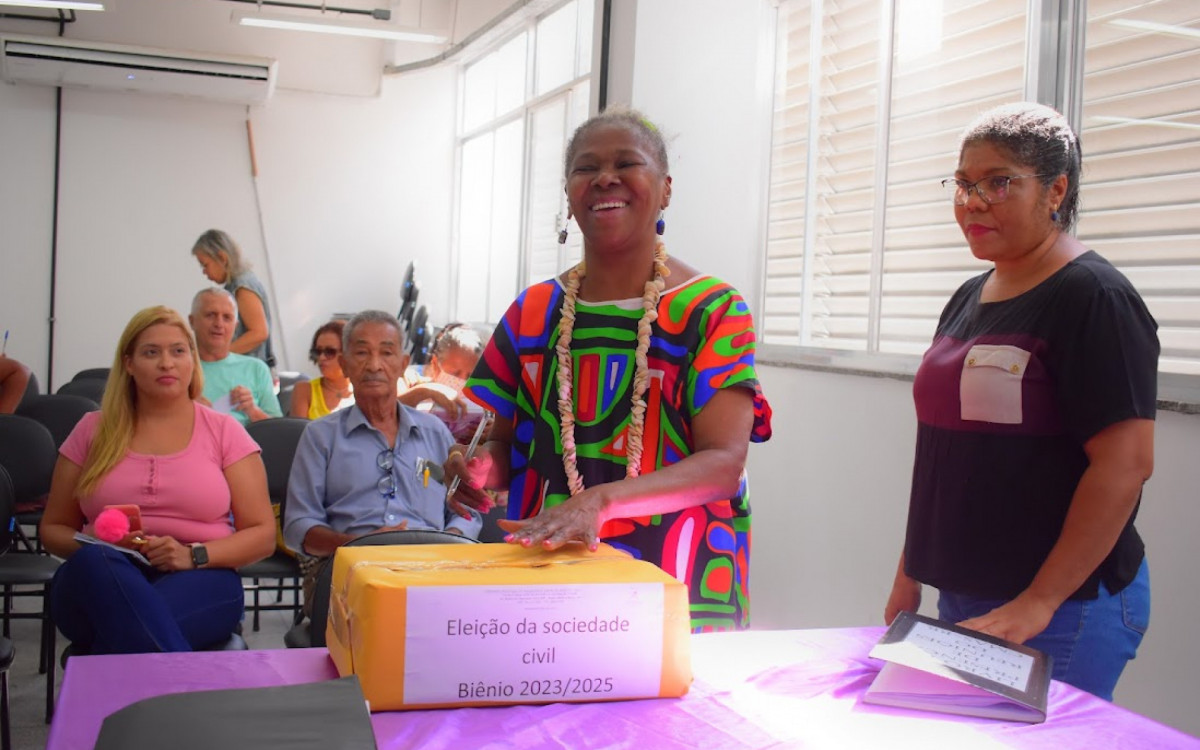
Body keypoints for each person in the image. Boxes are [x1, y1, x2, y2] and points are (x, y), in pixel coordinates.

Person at [444, 108, 772, 632]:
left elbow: (723, 465)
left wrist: (599, 502)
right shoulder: (533, 313)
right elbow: (511, 448)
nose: (604, 178)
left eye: (626, 162)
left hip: (674, 575)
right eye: (585, 167)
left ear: (665, 189)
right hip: (551, 581)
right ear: (570, 194)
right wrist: (482, 468)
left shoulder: (710, 310)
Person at [883, 102, 1159, 701]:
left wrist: (1038, 603)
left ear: (1056, 189)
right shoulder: (969, 294)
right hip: (965, 591)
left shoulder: (1094, 297)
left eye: (997, 182)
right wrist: (911, 572)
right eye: (962, 183)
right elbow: (943, 451)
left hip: (1062, 606)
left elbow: (1125, 464)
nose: (972, 201)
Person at [39, 306, 275, 654]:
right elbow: (54, 528)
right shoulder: (91, 429)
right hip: (101, 576)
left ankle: (116, 679)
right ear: (129, 364)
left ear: (192, 361)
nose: (167, 363)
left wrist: (192, 555)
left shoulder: (226, 432)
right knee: (96, 564)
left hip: (202, 575)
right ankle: (176, 699)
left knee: (120, 633)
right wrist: (111, 548)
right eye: (152, 352)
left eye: (178, 351)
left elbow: (263, 535)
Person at [283, 310, 482, 609]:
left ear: (402, 364)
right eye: (362, 353)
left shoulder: (434, 432)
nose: (374, 365)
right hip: (351, 574)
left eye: (386, 353)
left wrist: (448, 543)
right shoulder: (320, 436)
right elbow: (298, 526)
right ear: (345, 365)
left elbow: (467, 511)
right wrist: (355, 545)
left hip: (431, 573)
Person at [190, 288, 282, 427]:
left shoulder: (256, 368)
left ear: (235, 326)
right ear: (192, 321)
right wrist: (187, 411)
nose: (219, 324)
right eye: (210, 315)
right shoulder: (179, 371)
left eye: (227, 317)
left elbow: (280, 430)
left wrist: (252, 410)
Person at [192, 229, 276, 368]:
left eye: (205, 265)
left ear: (222, 258)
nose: (204, 272)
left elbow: (259, 333)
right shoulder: (233, 287)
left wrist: (219, 353)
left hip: (253, 371)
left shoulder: (242, 286)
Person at [290, 319, 353, 419]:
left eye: (330, 351)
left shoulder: (364, 390)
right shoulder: (304, 390)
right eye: (318, 351)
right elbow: (299, 433)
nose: (321, 357)